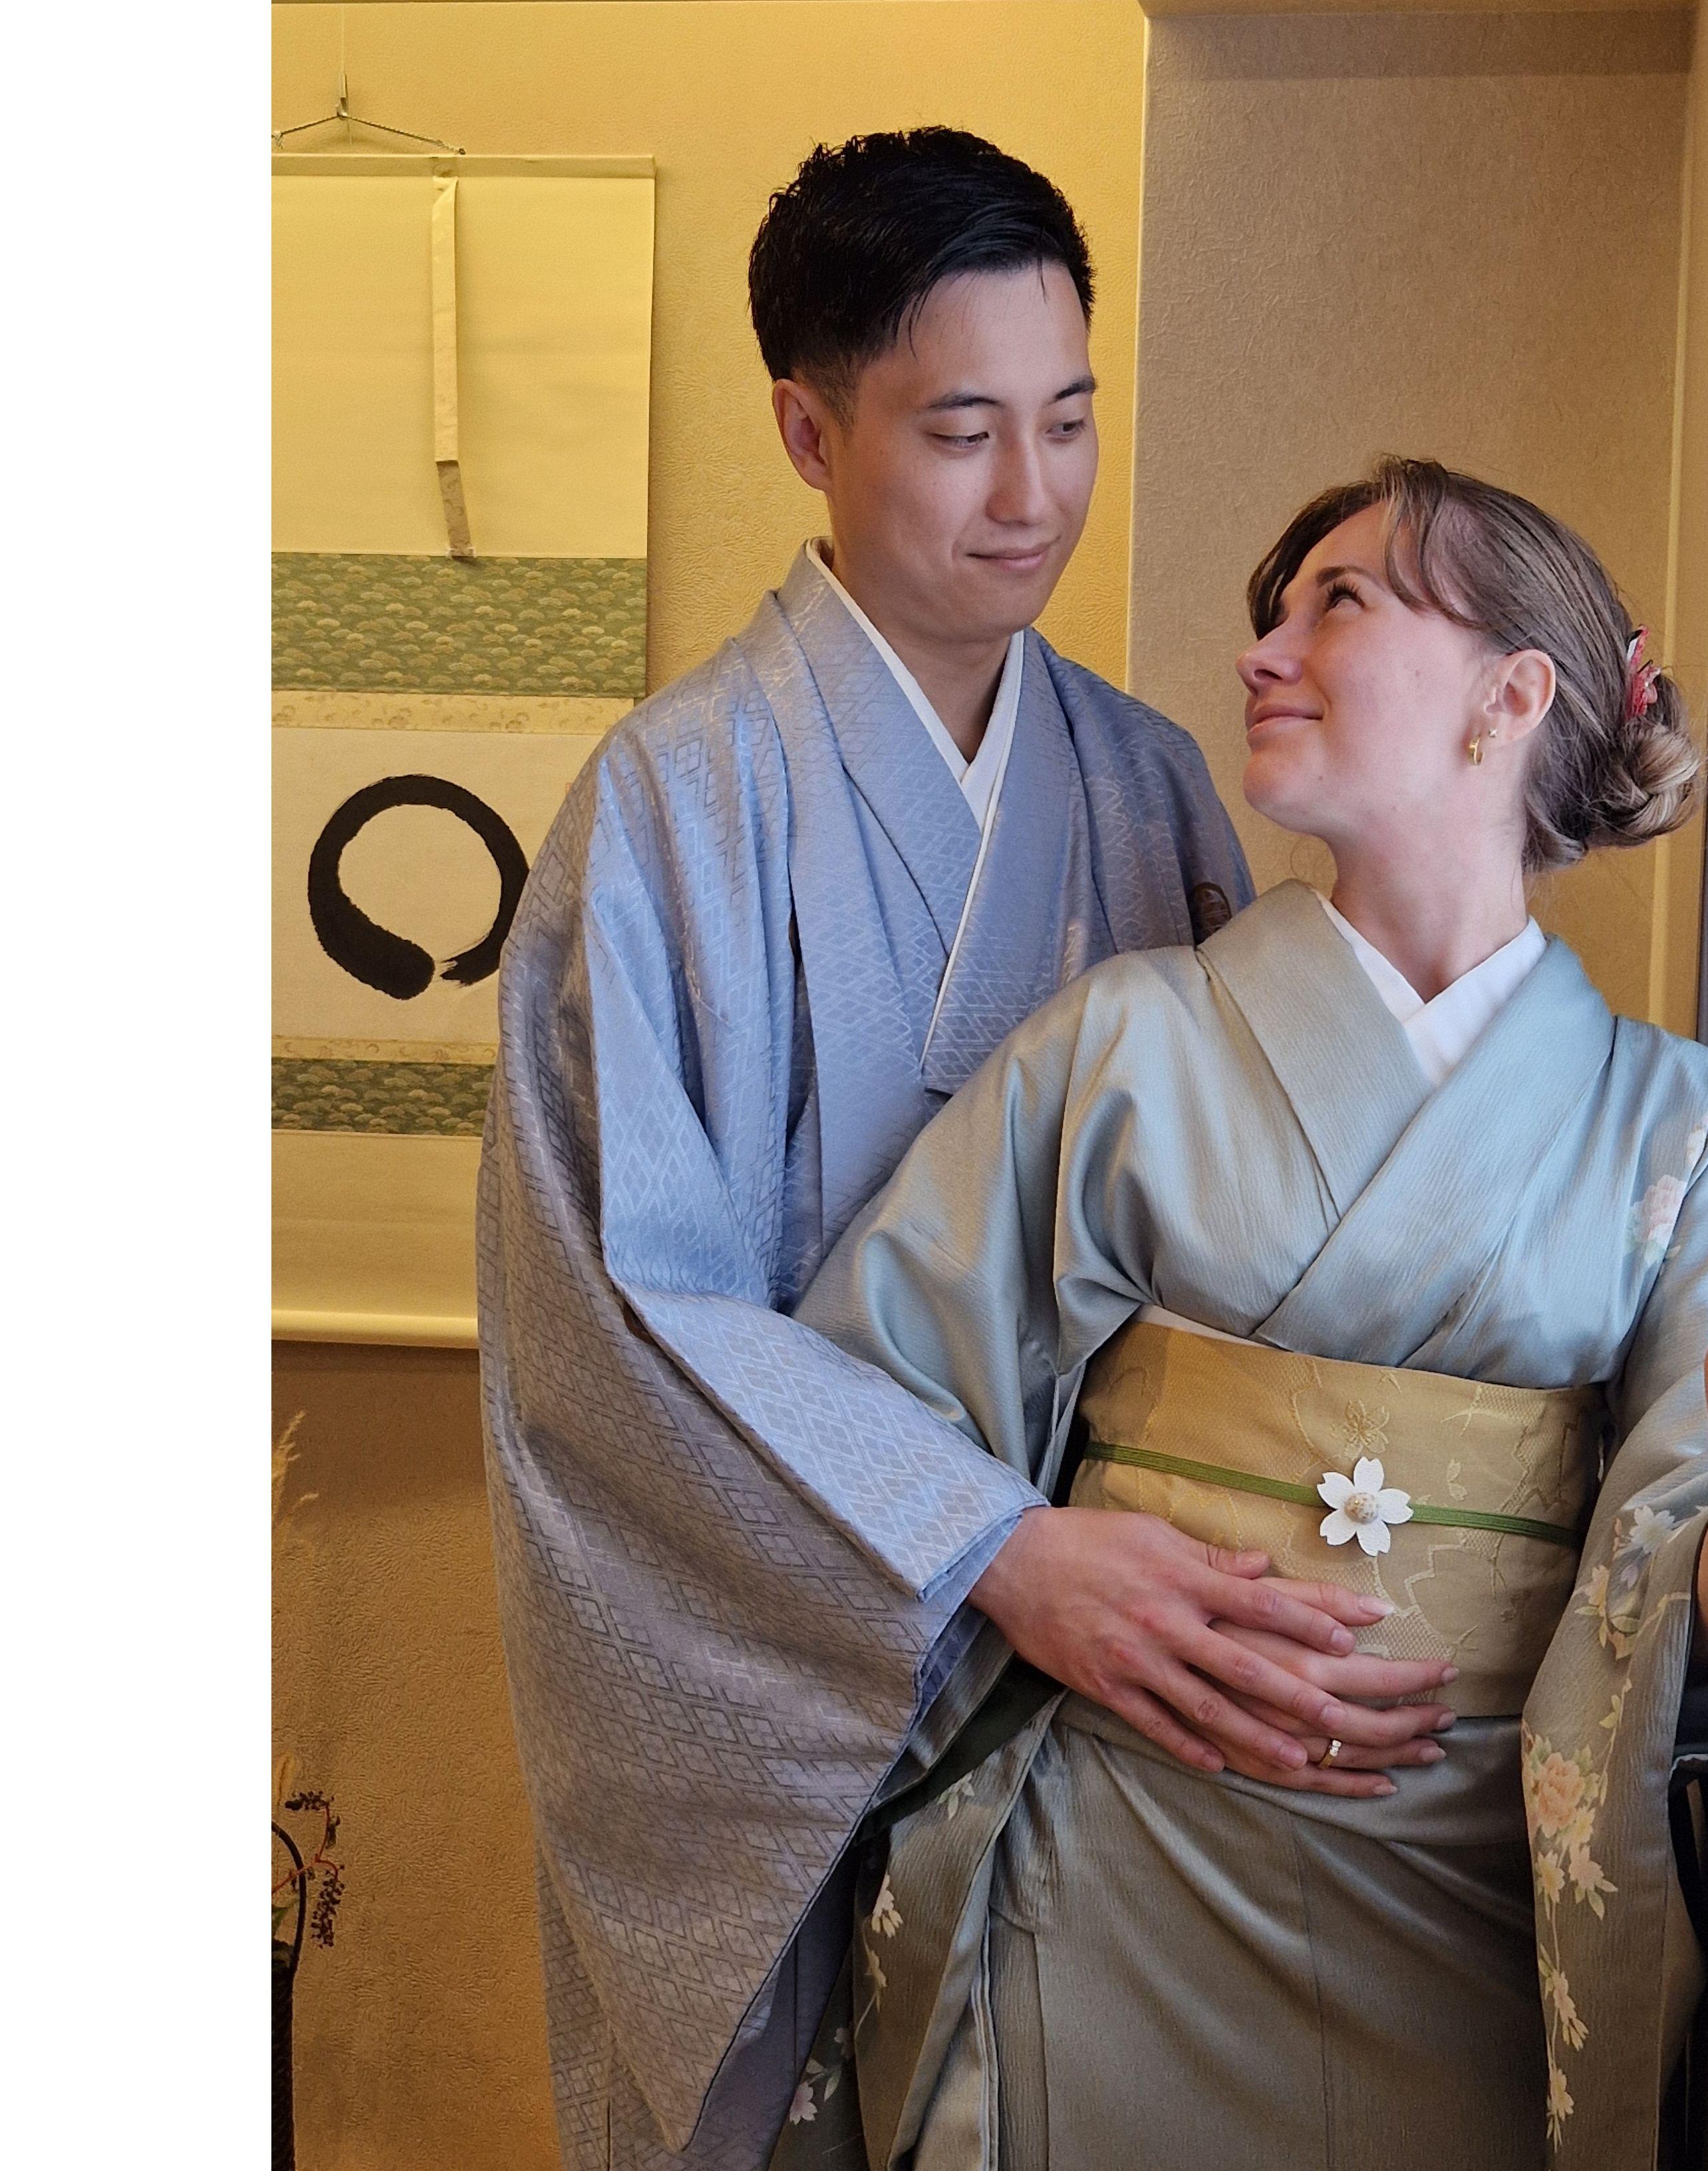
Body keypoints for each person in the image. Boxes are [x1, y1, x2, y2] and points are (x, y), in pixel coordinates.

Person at [480, 129, 1439, 2171]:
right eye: (966, 431)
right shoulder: (666, 814)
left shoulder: (1143, 782)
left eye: (1074, 423)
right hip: (834, 1658)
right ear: (809, 430)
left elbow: (1251, 1217)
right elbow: (617, 1322)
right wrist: (992, 1552)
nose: (1036, 499)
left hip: (1121, 1687)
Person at [776, 458, 1708, 2171]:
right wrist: (1025, 1563)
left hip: (1477, 1913)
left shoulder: (1683, 1125)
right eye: (1270, 615)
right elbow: (858, 1398)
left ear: (1512, 696)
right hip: (1117, 1870)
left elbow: (1688, 1599)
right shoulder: (1124, 1044)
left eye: (1338, 603)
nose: (1262, 652)